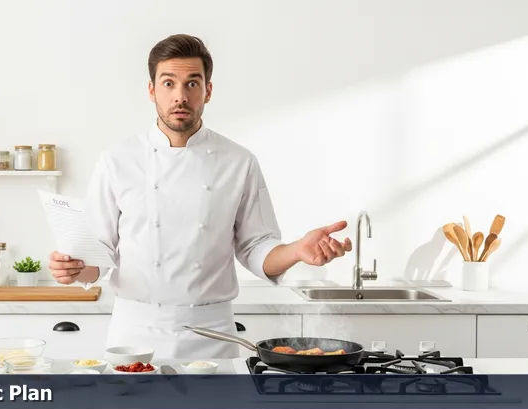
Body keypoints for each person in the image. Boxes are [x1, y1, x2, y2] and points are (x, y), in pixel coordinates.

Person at [49, 34, 352, 359]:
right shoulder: (117, 160)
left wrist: (296, 250)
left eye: (192, 84)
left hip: (212, 335)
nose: (180, 96)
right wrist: (74, 270)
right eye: (168, 83)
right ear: (151, 90)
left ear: (208, 90)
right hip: (134, 334)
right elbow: (99, 255)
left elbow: (255, 246)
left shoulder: (238, 161)